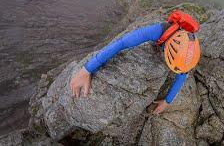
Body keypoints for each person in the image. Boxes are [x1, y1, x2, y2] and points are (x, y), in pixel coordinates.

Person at [70, 10, 201, 114]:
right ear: (166, 48)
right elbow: (121, 43)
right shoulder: (159, 30)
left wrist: (167, 102)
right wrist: (87, 69)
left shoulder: (190, 53)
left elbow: (182, 76)